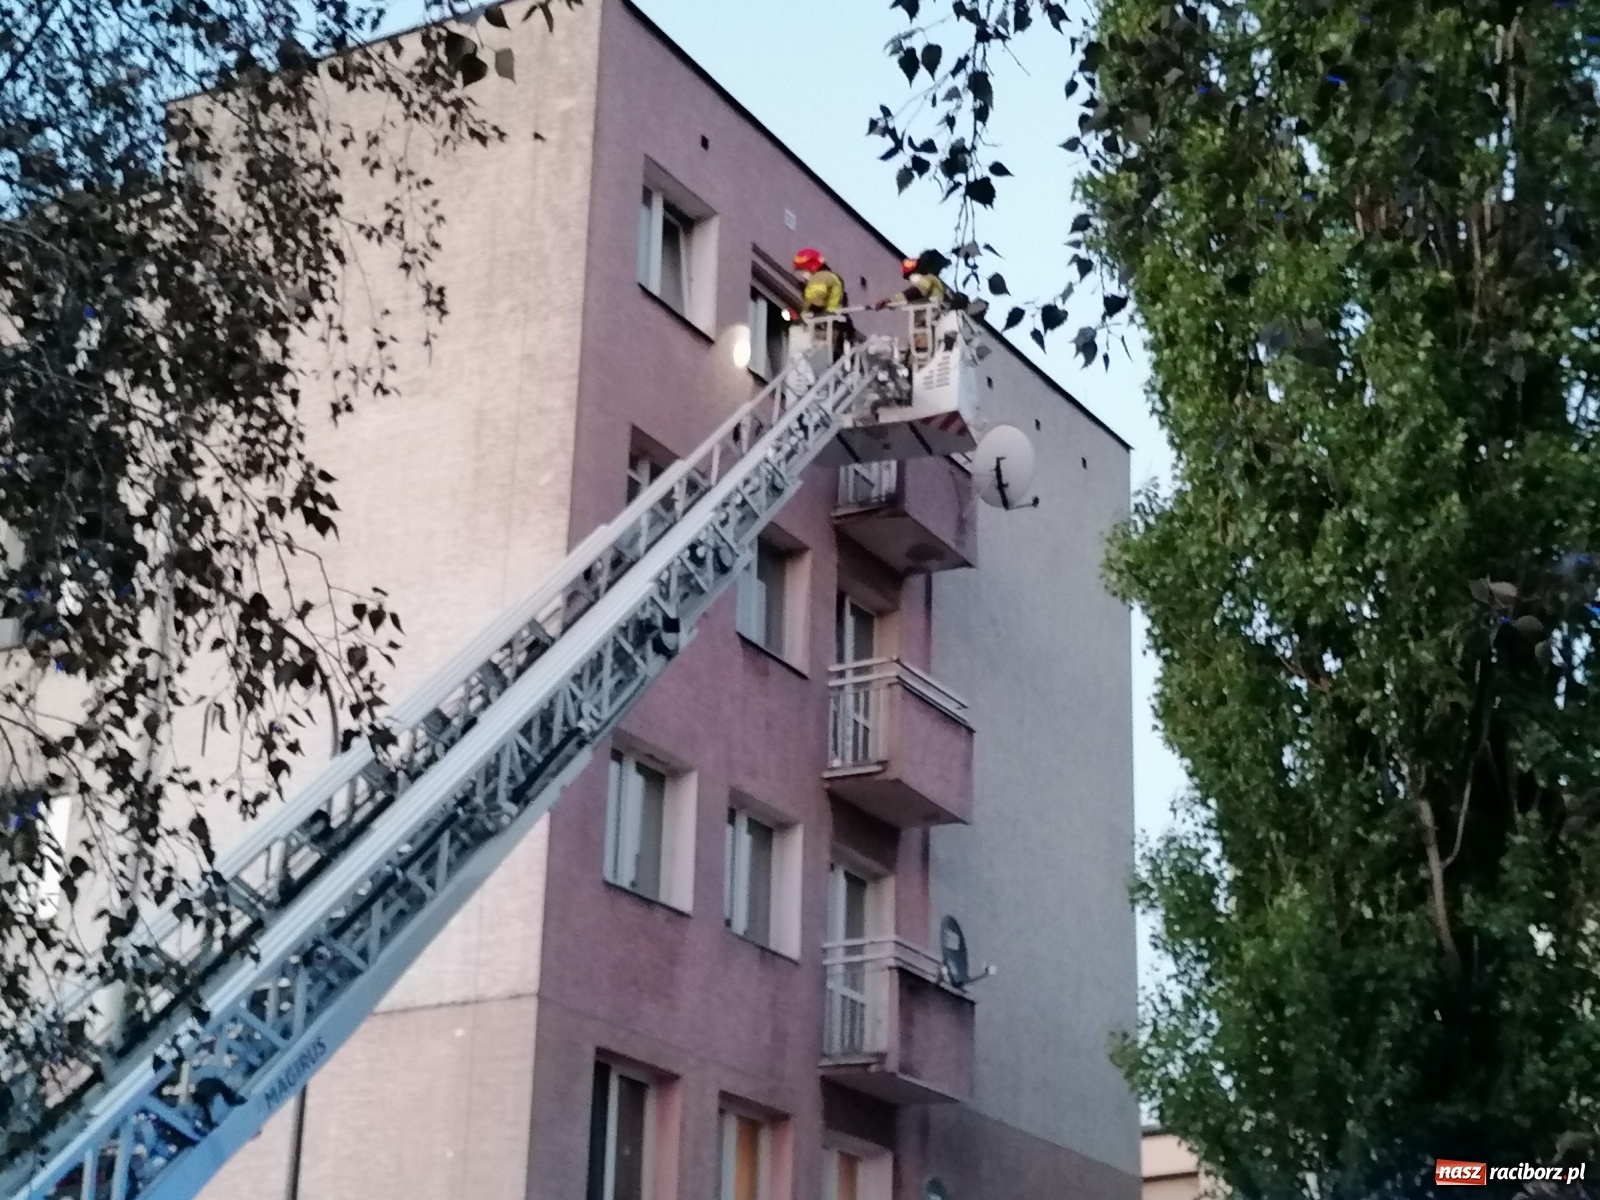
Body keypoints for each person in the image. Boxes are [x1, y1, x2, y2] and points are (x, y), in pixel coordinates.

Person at [792, 247, 852, 358]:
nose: (802, 274)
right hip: (833, 324)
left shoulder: (820, 277)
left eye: (802, 269)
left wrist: (804, 314)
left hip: (824, 324)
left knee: (819, 356)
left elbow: (816, 300)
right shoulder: (830, 277)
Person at [873, 257, 948, 310]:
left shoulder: (928, 280)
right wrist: (890, 303)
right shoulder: (931, 280)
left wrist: (890, 301)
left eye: (911, 275)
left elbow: (919, 291)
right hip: (932, 315)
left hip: (933, 313)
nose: (911, 279)